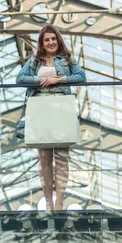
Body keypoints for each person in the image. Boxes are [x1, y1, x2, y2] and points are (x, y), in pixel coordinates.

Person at [16, 25, 86, 211]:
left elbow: (81, 76)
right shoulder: (35, 61)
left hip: (62, 107)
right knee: (44, 157)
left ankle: (60, 202)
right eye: (47, 40)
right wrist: (40, 81)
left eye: (53, 39)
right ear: (42, 43)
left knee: (62, 157)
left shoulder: (67, 59)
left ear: (58, 40)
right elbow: (20, 78)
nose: (51, 42)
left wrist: (59, 80)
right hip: (40, 109)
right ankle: (48, 202)